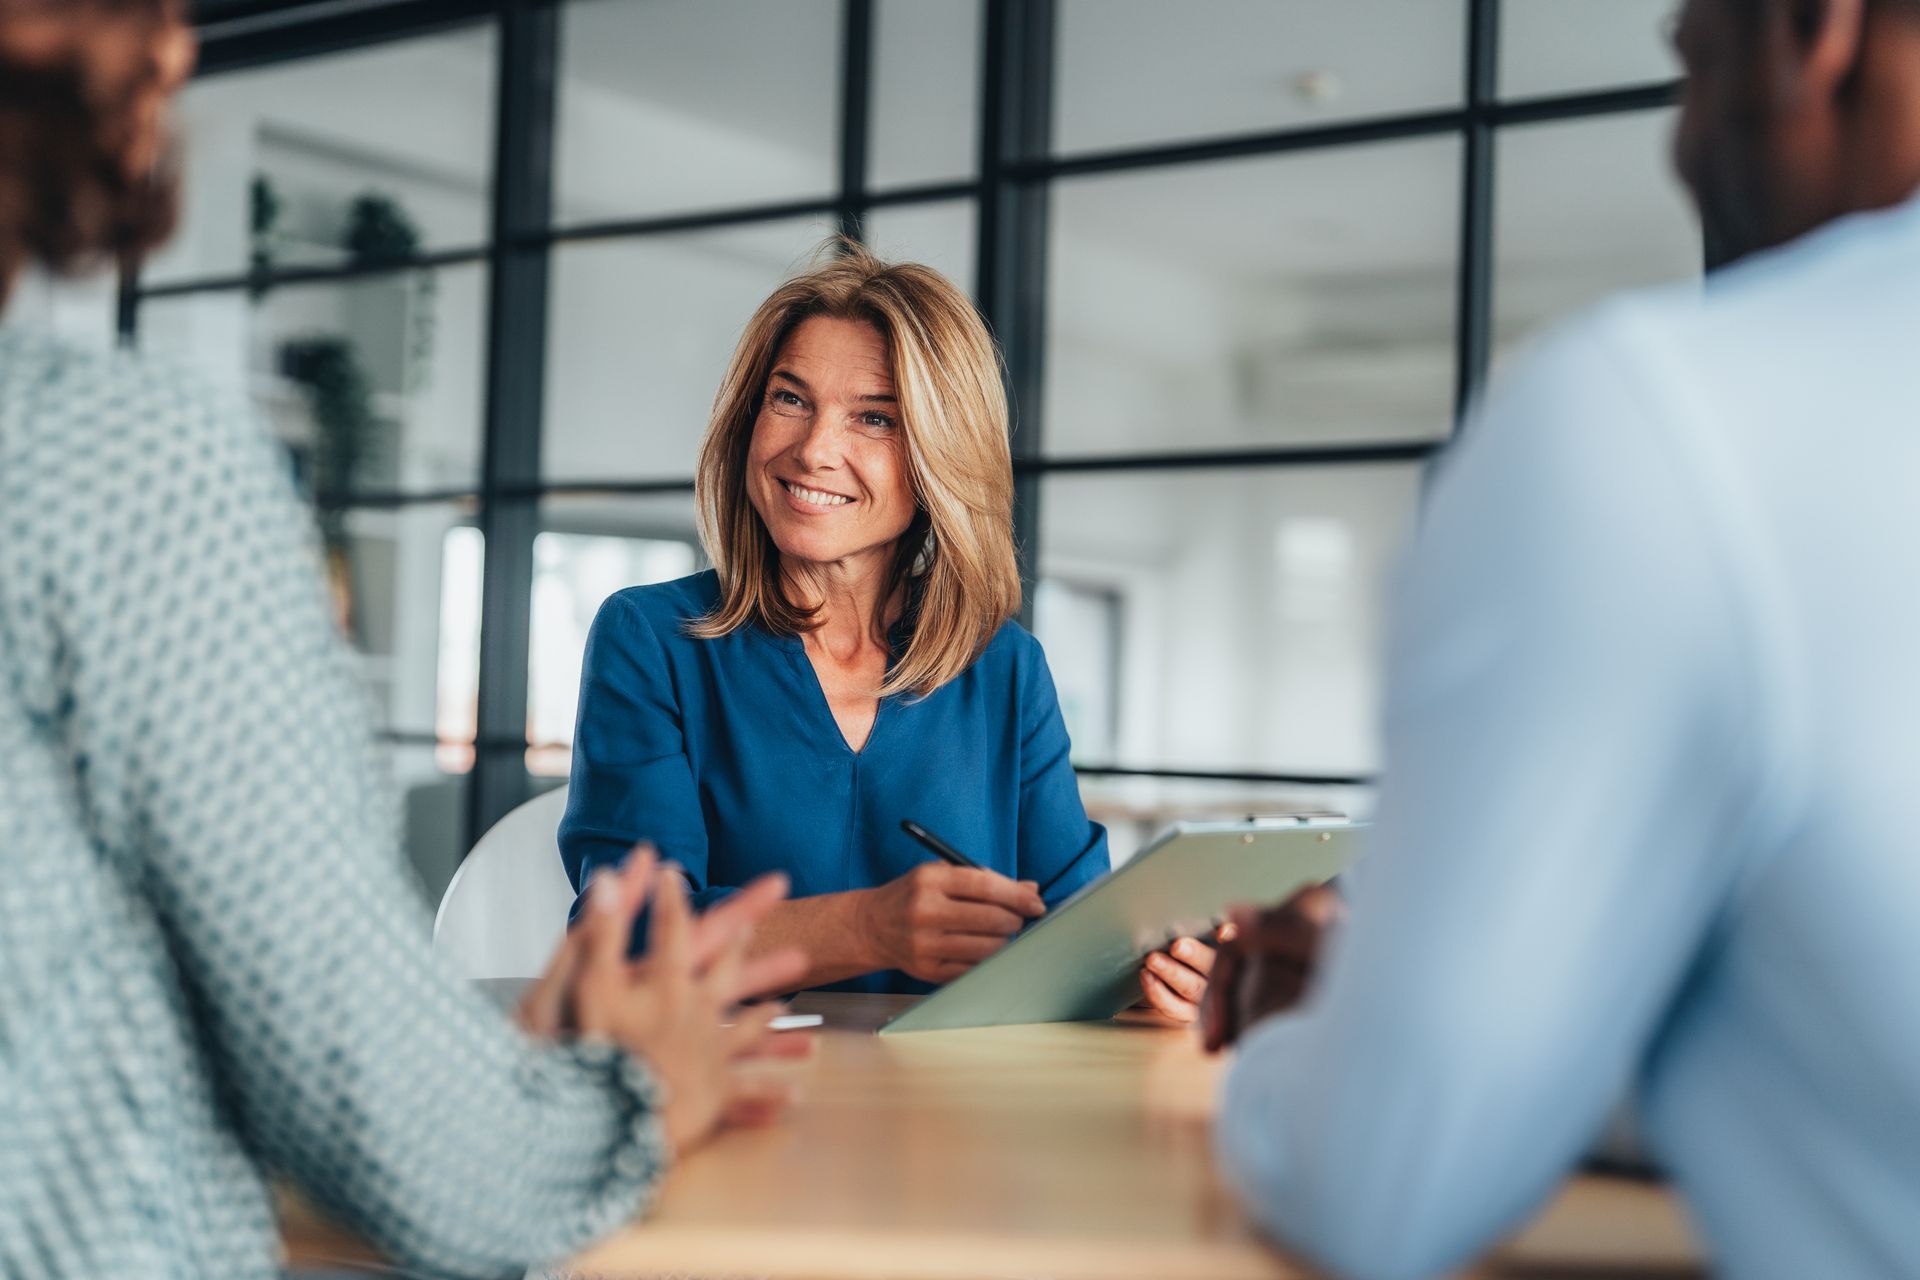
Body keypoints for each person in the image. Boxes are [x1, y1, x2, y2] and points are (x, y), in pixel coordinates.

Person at [0, 4, 807, 1278]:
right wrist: (627, 1087)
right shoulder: (110, 467)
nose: (180, 47)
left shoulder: (998, 668)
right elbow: (413, 1140)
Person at [1202, 0, 1920, 1276]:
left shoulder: (1662, 420)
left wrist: (1326, 1034)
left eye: (1694, 52)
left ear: (1818, 33)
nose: (1684, 126)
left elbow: (1385, 1184)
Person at [559, 244, 1214, 1005]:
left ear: (942, 456)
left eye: (874, 418)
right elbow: (629, 944)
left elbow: (1075, 931)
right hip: (734, 1098)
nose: (813, 450)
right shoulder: (650, 639)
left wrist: (1160, 973)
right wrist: (868, 928)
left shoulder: (1006, 669)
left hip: (950, 1111)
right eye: (790, 399)